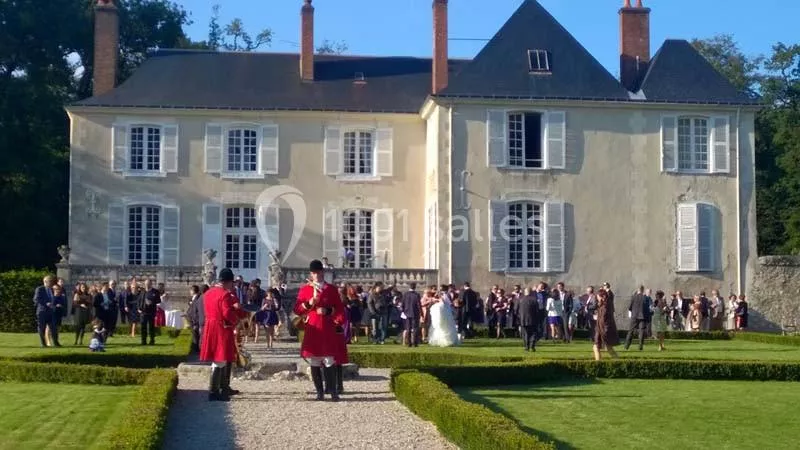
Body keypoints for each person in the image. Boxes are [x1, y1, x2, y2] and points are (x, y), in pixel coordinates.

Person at [294, 260, 347, 401]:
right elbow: (297, 309)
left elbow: (339, 309)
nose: (316, 275)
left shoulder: (331, 289)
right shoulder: (305, 289)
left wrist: (328, 311)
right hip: (313, 328)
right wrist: (308, 303)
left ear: (322, 272)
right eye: (314, 273)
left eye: (318, 272)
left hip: (328, 327)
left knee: (329, 359)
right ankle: (319, 392)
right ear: (311, 274)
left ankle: (333, 391)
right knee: (315, 360)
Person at [200, 268, 244, 402]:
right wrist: (237, 321)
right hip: (221, 328)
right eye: (231, 283)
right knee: (220, 359)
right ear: (227, 282)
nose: (232, 285)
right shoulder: (224, 294)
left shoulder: (208, 292)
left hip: (210, 325)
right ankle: (213, 391)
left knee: (220, 359)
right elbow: (226, 313)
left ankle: (221, 388)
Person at [593, 288, 619, 360]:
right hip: (601, 329)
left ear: (602, 297)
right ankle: (616, 361)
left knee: (606, 348)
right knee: (597, 347)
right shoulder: (604, 305)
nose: (597, 298)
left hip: (603, 330)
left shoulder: (605, 306)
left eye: (598, 297)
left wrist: (597, 317)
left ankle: (617, 361)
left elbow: (604, 320)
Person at [33, 275, 59, 347]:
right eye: (50, 282)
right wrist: (46, 303)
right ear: (45, 282)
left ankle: (56, 343)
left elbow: (53, 299)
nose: (51, 283)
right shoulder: (40, 289)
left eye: (52, 282)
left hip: (50, 312)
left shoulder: (52, 289)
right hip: (42, 312)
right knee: (42, 328)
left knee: (53, 328)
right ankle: (43, 343)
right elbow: (36, 299)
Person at [514, 287, 540, 352]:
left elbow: (515, 310)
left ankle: (526, 347)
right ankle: (532, 346)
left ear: (525, 292)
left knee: (525, 333)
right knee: (533, 333)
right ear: (531, 292)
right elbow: (537, 311)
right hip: (533, 319)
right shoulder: (534, 300)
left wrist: (519, 316)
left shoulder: (520, 299)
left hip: (523, 319)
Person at [624, 285, 648, 351]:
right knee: (641, 331)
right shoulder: (645, 297)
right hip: (642, 316)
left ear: (638, 289)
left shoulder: (633, 297)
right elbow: (646, 308)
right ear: (643, 290)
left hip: (634, 316)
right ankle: (640, 346)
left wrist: (633, 312)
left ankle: (626, 346)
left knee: (631, 331)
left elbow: (630, 307)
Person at [138, 279, 161, 345]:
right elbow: (138, 301)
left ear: (151, 284)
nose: (147, 285)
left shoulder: (155, 291)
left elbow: (158, 301)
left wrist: (151, 302)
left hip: (151, 312)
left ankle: (152, 340)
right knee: (143, 327)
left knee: (151, 327)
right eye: (146, 284)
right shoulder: (142, 291)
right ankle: (143, 341)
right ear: (145, 284)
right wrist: (138, 308)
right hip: (143, 312)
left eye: (148, 284)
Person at [400, 283, 422, 347]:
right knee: (415, 328)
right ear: (415, 287)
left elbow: (403, 304)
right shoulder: (416, 295)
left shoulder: (405, 294)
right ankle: (415, 342)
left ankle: (409, 342)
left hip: (407, 313)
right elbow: (418, 305)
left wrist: (403, 311)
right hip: (415, 313)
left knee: (408, 328)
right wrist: (421, 313)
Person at [186, 285, 203, 354]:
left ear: (193, 291)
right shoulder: (194, 298)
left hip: (195, 321)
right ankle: (196, 349)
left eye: (190, 290)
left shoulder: (197, 298)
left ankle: (197, 350)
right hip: (192, 320)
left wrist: (195, 322)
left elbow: (196, 311)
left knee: (196, 336)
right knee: (194, 336)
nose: (190, 292)